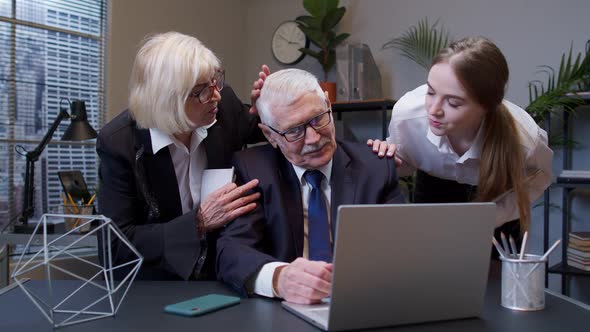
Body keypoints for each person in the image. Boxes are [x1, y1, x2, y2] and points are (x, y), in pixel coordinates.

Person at [216, 68, 405, 304]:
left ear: (328, 104)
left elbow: (401, 250)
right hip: (285, 311)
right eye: (294, 131)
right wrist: (279, 279)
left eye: (318, 118)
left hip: (362, 301)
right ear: (270, 136)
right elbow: (232, 250)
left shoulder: (375, 167)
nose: (314, 138)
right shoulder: (253, 170)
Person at [97, 31, 266, 280]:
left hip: (220, 277)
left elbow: (261, 128)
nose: (216, 94)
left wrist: (267, 104)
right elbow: (115, 247)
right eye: (202, 91)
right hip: (153, 289)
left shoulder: (223, 106)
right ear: (168, 101)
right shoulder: (120, 143)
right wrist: (197, 223)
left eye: (215, 81)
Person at [369, 36, 553, 240]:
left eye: (453, 103)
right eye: (430, 92)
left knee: (495, 270)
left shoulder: (524, 140)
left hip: (496, 198)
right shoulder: (407, 116)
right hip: (433, 189)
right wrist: (386, 161)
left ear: (486, 107)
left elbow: (538, 178)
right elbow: (405, 163)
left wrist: (493, 216)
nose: (434, 110)